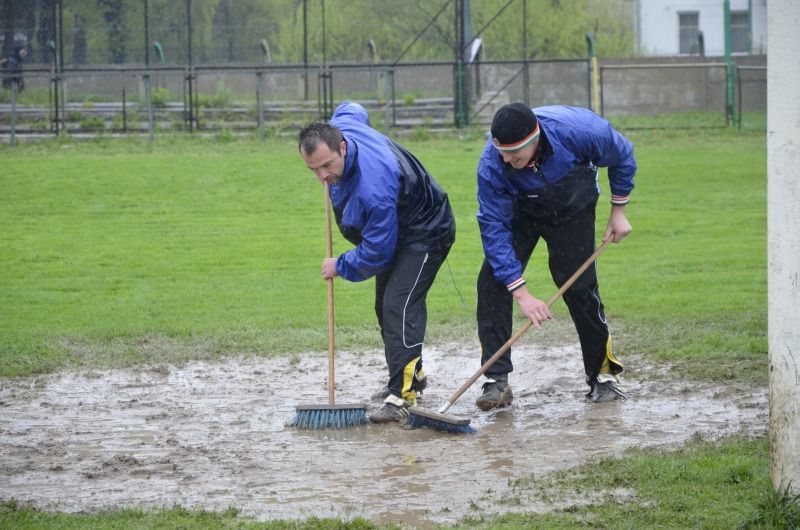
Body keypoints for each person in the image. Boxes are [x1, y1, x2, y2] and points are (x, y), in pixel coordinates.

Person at [298, 101, 456, 423]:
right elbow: (352, 108)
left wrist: (340, 265)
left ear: (342, 147)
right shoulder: (342, 126)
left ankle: (404, 393)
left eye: (327, 166)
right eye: (314, 170)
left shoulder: (374, 186)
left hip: (425, 230)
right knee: (384, 306)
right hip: (397, 230)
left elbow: (378, 252)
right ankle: (413, 375)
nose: (323, 176)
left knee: (399, 305)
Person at [474, 102, 636, 410]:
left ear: (534, 139)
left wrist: (619, 211)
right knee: (492, 283)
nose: (507, 160)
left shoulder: (581, 131)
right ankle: (496, 381)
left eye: (514, 155)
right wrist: (520, 292)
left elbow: (623, 155)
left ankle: (602, 375)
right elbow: (493, 227)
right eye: (502, 153)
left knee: (579, 286)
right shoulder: (493, 165)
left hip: (573, 206)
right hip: (521, 211)